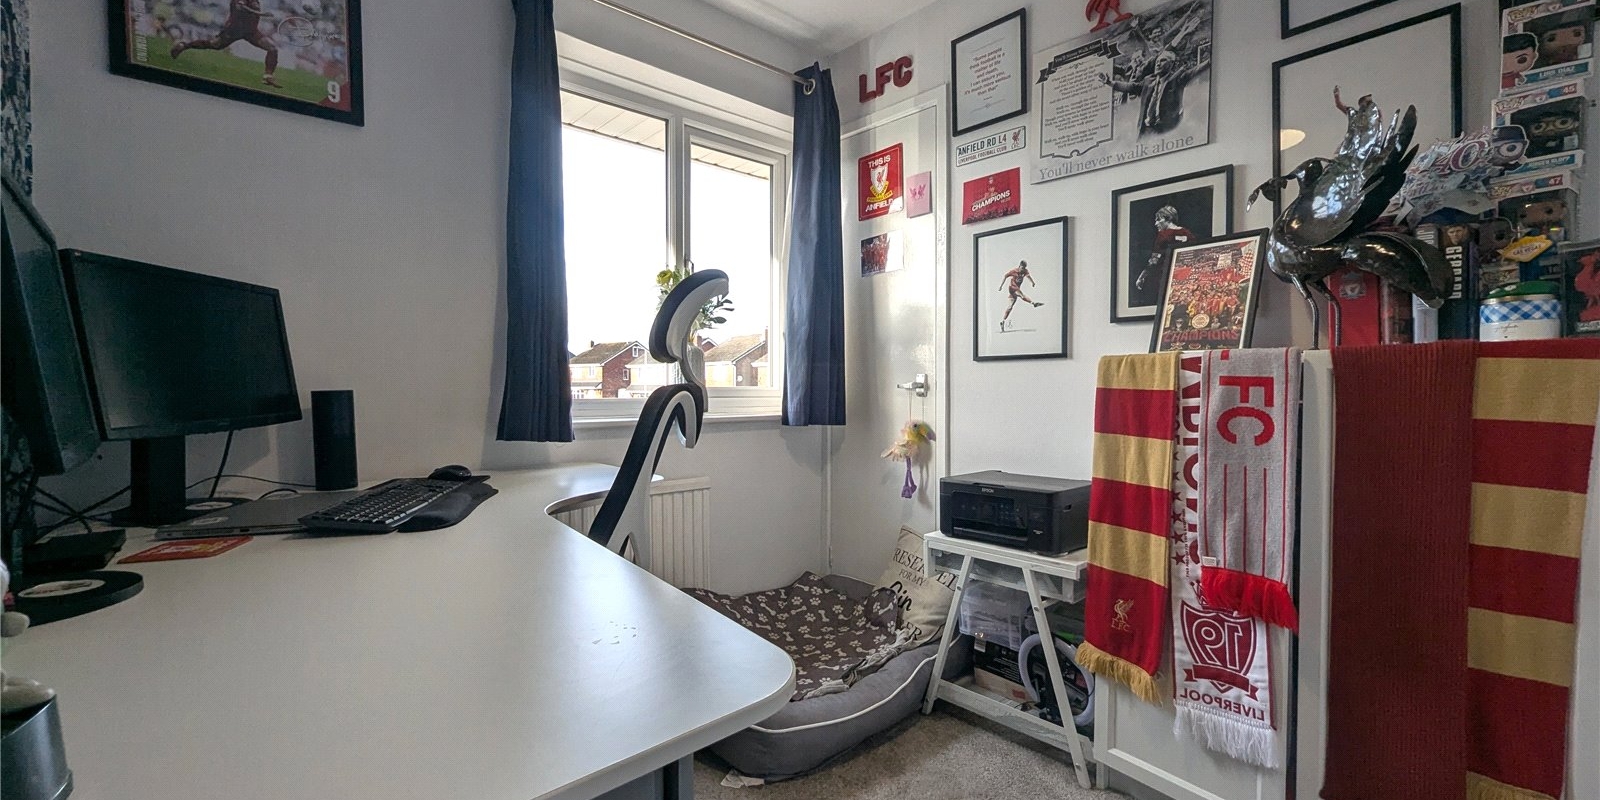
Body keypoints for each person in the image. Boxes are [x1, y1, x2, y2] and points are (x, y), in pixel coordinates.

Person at [170, 0, 282, 89]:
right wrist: (260, 13)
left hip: (251, 32)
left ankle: (268, 76)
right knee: (214, 44)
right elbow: (240, 7)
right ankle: (183, 45)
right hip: (234, 30)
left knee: (272, 48)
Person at [1099, 47, 1209, 136]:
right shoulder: (1148, 81)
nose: (1158, 63)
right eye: (1157, 61)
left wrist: (1210, 60)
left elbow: (1195, 71)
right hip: (1146, 129)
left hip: (1167, 130)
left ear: (1171, 64)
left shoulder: (1177, 78)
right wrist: (1110, 83)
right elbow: (1131, 87)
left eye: (1163, 61)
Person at [1137, 204, 1194, 293]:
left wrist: (1142, 276)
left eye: (1158, 219)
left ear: (1169, 219)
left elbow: (1154, 260)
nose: (1156, 223)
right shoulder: (1187, 233)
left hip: (1167, 277)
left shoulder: (1163, 235)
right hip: (1186, 275)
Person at [998, 261, 1044, 331]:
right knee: (1021, 295)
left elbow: (1028, 276)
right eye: (1022, 268)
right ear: (1019, 266)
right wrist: (1001, 286)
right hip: (1012, 288)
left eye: (1024, 268)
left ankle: (1002, 321)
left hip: (1014, 292)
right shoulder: (1014, 271)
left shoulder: (1025, 271)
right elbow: (1005, 276)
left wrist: (1032, 282)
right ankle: (1033, 303)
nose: (1022, 270)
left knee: (1010, 307)